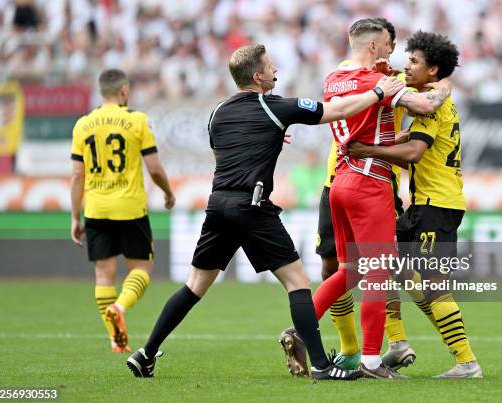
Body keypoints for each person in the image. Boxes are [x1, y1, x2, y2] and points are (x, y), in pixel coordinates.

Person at [125, 44, 406, 380]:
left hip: (218, 205)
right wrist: (378, 91)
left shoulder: (218, 112)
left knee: (194, 286)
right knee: (298, 282)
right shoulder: (274, 106)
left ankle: (146, 353)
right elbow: (335, 111)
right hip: (253, 205)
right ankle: (320, 366)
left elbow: (227, 153)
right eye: (271, 67)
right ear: (257, 77)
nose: (277, 71)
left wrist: (269, 137)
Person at [315, 18, 452, 373]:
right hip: (370, 182)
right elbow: (424, 107)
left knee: (348, 272)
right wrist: (443, 86)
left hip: (339, 181)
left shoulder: (333, 79)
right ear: (375, 45)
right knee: (378, 273)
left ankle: (300, 329)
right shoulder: (379, 82)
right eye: (390, 44)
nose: (394, 51)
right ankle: (373, 360)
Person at [349, 30, 483, 379]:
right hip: (424, 204)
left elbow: (414, 153)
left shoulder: (432, 108)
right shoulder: (431, 99)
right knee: (391, 269)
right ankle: (397, 343)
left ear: (433, 70)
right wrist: (395, 142)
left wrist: (370, 151)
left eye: (414, 62)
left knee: (435, 283)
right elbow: (413, 152)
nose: (406, 67)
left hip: (438, 205)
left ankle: (468, 363)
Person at [70, 69, 176, 353]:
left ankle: (116, 338)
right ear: (124, 91)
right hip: (130, 207)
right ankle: (120, 306)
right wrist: (167, 192)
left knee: (103, 275)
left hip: (95, 208)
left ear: (101, 91)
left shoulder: (83, 125)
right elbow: (153, 168)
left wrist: (74, 216)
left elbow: (77, 177)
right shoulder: (137, 120)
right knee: (141, 267)